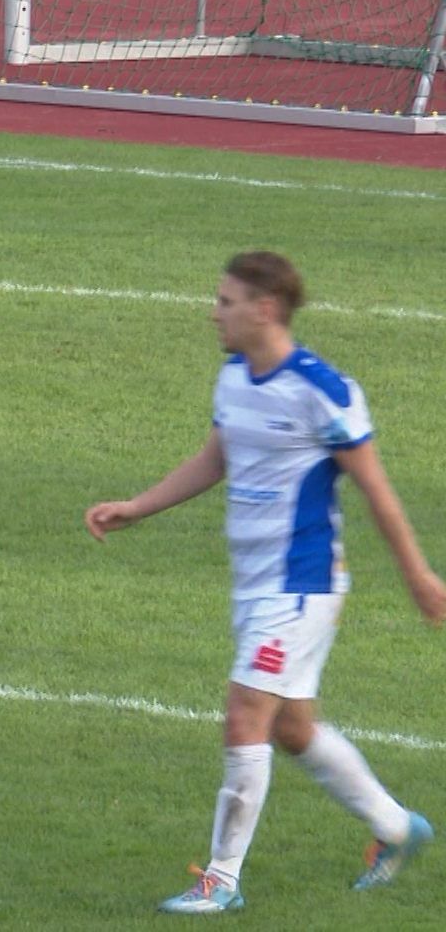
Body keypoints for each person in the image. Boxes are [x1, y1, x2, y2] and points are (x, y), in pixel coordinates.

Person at [84, 251, 446, 914]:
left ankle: (220, 880)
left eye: (226, 302)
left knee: (245, 712)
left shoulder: (322, 390)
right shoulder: (234, 376)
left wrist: (417, 573)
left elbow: (376, 489)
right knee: (293, 729)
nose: (213, 313)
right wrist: (138, 507)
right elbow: (216, 458)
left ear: (266, 309)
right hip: (254, 584)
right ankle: (397, 828)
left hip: (301, 586)